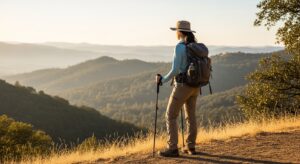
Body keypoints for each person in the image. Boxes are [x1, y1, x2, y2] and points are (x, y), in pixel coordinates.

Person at [156, 20, 200, 157]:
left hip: (182, 86)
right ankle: (190, 146)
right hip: (195, 86)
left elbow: (175, 70)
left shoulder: (180, 47)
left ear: (179, 32)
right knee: (191, 116)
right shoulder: (195, 46)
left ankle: (172, 148)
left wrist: (162, 80)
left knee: (170, 115)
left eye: (176, 31)